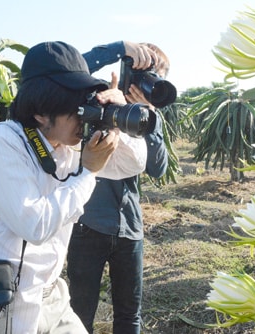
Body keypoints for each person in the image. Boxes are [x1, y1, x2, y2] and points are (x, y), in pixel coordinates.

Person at [0, 41, 148, 333]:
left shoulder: (70, 147)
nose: (83, 117)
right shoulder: (2, 143)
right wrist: (88, 172)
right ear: (41, 112)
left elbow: (134, 164)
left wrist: (116, 117)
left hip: (49, 297)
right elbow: (35, 225)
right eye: (76, 109)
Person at [66, 41, 170, 333]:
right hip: (88, 225)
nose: (149, 85)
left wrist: (147, 117)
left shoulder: (146, 117)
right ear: (127, 73)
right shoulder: (98, 101)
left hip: (130, 228)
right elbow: (66, 70)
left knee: (129, 315)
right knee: (78, 314)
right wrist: (119, 48)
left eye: (156, 79)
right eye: (144, 77)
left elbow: (158, 167)